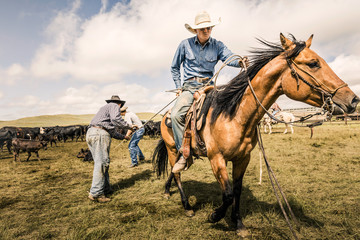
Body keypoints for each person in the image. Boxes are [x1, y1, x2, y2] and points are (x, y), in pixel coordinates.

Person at [170, 11, 249, 173]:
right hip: (190, 87)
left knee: (227, 112)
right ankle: (183, 154)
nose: (206, 30)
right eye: (203, 28)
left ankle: (223, 145)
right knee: (176, 115)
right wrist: (179, 87)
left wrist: (240, 61)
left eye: (209, 28)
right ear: (195, 30)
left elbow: (229, 57)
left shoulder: (217, 45)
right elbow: (174, 67)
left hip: (210, 87)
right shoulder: (185, 45)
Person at [86, 95, 132, 203]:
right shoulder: (114, 105)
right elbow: (116, 120)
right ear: (119, 104)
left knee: (101, 162)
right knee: (102, 163)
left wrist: (124, 137)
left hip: (92, 133)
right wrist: (129, 126)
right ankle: (96, 193)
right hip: (100, 134)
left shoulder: (104, 110)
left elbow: (112, 132)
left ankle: (105, 189)